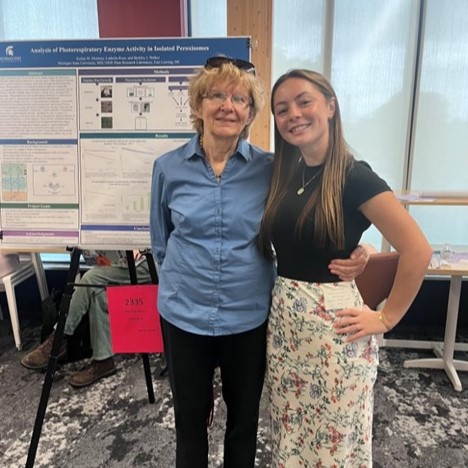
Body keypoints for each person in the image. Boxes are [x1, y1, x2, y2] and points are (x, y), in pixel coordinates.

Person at [150, 57, 369, 468]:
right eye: (216, 95)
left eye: (239, 98)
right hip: (183, 316)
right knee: (189, 423)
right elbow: (161, 242)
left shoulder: (273, 169)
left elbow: (315, 213)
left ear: (250, 113)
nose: (227, 106)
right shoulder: (168, 168)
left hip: (248, 318)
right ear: (198, 105)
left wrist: (361, 247)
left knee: (244, 422)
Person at [258, 69, 432, 467]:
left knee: (332, 442)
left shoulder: (355, 176)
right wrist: (361, 245)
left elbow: (417, 250)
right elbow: (313, 234)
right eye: (282, 109)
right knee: (291, 433)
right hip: (286, 328)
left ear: (331, 107)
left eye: (304, 102)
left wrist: (387, 318)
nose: (293, 115)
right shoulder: (287, 173)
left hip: (335, 332)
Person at [20, 252, 151, 388]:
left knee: (90, 278)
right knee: (97, 292)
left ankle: (59, 338)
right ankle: (104, 360)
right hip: (124, 263)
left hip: (147, 263)